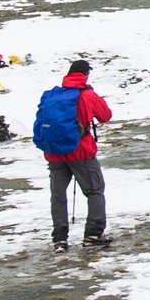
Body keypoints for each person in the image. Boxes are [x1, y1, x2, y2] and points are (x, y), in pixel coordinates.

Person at [36, 60, 114, 250]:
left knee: (58, 196)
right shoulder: (86, 94)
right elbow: (106, 116)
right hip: (81, 152)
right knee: (94, 191)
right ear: (86, 75)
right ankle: (93, 235)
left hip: (54, 153)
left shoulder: (53, 95)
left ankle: (60, 239)